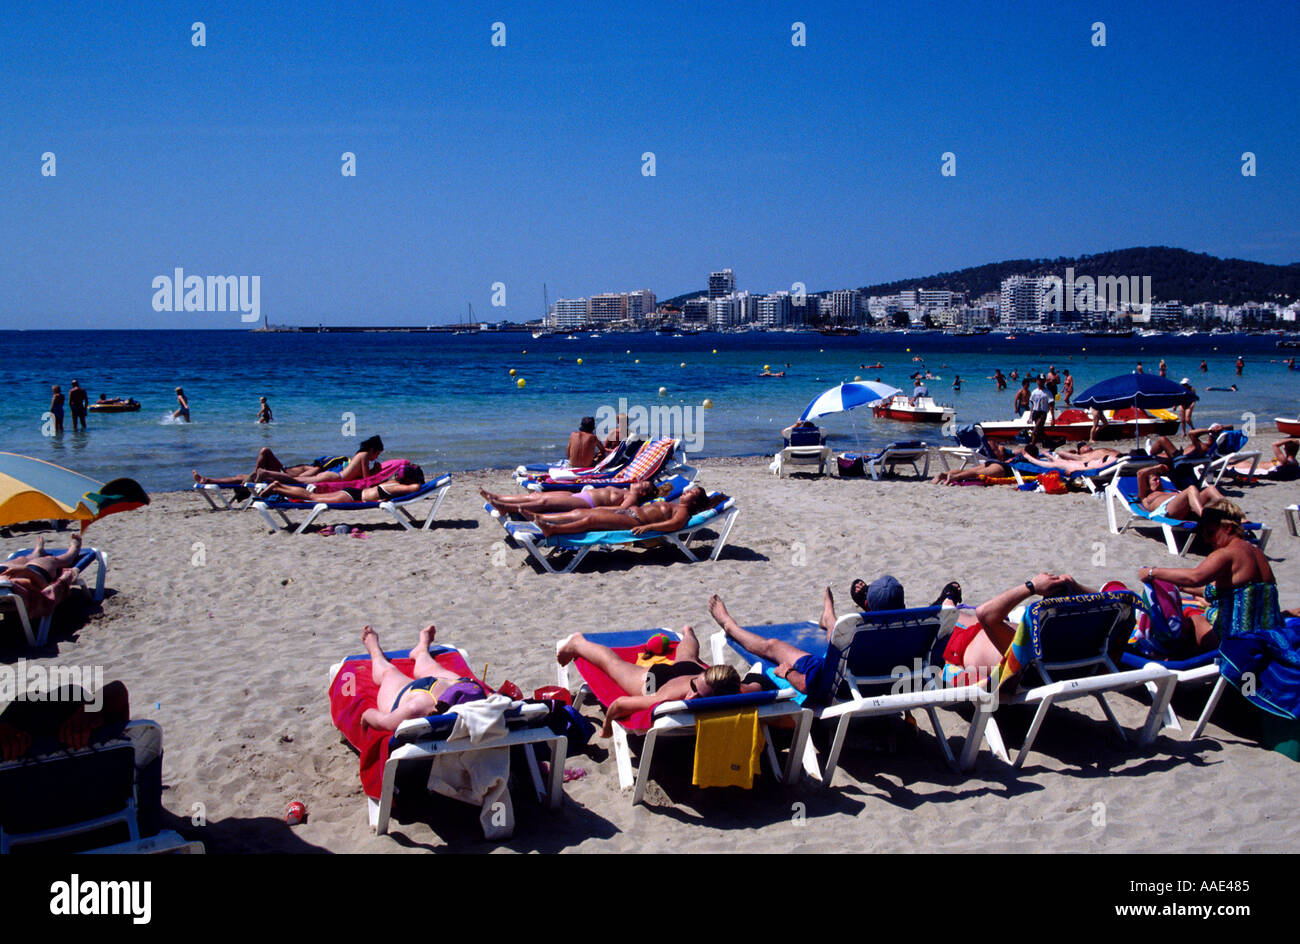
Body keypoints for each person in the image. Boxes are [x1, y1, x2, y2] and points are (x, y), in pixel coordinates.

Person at [556, 625, 753, 737]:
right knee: (614, 665)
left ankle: (688, 634)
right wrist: (607, 727)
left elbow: (757, 685)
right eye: (694, 689)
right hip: (655, 679)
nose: (692, 696)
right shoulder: (669, 696)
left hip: (694, 673)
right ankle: (577, 643)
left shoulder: (732, 689)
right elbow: (620, 704)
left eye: (700, 696)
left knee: (689, 658)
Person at [1139, 499, 1279, 651]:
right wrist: (1181, 586)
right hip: (1270, 636)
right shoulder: (1257, 553)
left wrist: (1152, 572)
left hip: (1239, 642)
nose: (1206, 539)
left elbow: (1195, 577)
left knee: (1194, 618)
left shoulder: (1226, 554)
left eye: (1210, 533)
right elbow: (1224, 589)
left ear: (1228, 528)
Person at [358, 624, 489, 732]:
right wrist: (367, 715)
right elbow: (385, 722)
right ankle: (377, 652)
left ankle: (418, 653)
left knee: (391, 672)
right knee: (392, 672)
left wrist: (367, 714)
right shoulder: (416, 708)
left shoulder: (417, 707)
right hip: (445, 688)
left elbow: (384, 721)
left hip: (449, 686)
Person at [522, 485, 719, 537]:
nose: (686, 492)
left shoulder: (683, 512)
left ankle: (553, 530)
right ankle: (541, 517)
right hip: (631, 513)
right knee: (586, 513)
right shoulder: (675, 503)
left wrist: (650, 526)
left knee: (592, 522)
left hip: (636, 522)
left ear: (694, 502)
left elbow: (674, 525)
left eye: (692, 492)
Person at [193, 436, 384, 488]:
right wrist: (376, 471)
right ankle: (264, 474)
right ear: (374, 450)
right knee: (296, 481)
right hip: (333, 477)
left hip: (331, 476)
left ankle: (209, 480)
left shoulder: (359, 456)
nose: (377, 458)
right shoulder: (365, 456)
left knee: (241, 477)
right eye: (378, 454)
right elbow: (365, 482)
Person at [0, 535, 86, 621]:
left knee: (21, 559)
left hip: (5, 575)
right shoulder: (14, 591)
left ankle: (37, 552)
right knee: (50, 560)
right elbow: (44, 588)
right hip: (32, 575)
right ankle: (73, 551)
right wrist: (26, 570)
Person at [261, 462, 426, 503]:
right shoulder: (401, 487)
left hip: (353, 493)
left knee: (311, 496)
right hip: (352, 497)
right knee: (312, 497)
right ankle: (278, 488)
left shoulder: (392, 482)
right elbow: (417, 487)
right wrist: (417, 484)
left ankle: (280, 487)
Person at [481, 480, 659, 516]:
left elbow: (623, 510)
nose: (639, 481)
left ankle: (505, 507)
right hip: (578, 495)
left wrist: (598, 510)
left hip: (585, 502)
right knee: (536, 495)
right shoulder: (627, 491)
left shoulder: (632, 496)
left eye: (643, 484)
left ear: (643, 492)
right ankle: (499, 497)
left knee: (543, 502)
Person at [1134, 463, 1228, 521]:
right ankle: (1204, 517)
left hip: (1187, 507)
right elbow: (1140, 474)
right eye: (1155, 480)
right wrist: (1157, 468)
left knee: (1210, 489)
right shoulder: (1145, 497)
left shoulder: (1168, 491)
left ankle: (1236, 514)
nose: (1159, 481)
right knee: (1191, 489)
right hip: (1169, 510)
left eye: (1159, 479)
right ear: (1147, 485)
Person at [1148, 424, 1225, 462]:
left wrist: (1209, 430)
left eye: (1211, 435)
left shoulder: (1204, 447)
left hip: (1179, 459)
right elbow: (1231, 427)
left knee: (1163, 439)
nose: (1209, 436)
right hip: (1180, 456)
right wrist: (1222, 428)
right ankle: (1150, 454)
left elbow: (1191, 433)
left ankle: (1150, 454)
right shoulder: (1205, 446)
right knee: (1161, 451)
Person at [1028, 376, 1052, 445]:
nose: (1041, 382)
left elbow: (1051, 405)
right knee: (1039, 431)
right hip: (1036, 412)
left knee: (1035, 430)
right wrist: (1030, 416)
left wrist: (1053, 417)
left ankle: (1032, 446)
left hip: (1042, 413)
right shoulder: (1034, 392)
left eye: (1042, 381)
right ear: (1037, 381)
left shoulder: (1047, 392)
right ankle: (1050, 443)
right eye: (1040, 380)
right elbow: (1032, 405)